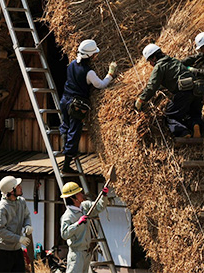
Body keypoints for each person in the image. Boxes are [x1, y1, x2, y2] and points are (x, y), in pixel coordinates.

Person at [60, 39, 116, 174]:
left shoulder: (72, 64)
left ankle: (65, 146)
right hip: (76, 105)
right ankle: (66, 165)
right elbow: (101, 85)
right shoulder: (88, 72)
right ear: (91, 56)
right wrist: (110, 74)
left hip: (65, 99)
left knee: (66, 126)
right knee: (74, 132)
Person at [135, 43, 204, 138]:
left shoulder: (159, 66)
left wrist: (141, 99)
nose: (150, 64)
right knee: (193, 112)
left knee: (170, 115)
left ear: (154, 57)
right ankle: (196, 125)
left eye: (150, 61)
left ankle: (183, 133)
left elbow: (152, 86)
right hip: (197, 90)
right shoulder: (173, 61)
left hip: (184, 93)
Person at [60, 182, 108, 273]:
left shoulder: (85, 206)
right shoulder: (68, 216)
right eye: (78, 194)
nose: (82, 195)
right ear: (73, 198)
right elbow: (64, 234)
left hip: (86, 253)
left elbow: (99, 207)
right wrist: (78, 223)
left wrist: (104, 196)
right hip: (76, 254)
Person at [0, 176, 32, 273]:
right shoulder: (0, 209)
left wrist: (27, 225)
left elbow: (26, 216)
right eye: (18, 186)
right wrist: (19, 238)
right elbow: (0, 231)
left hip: (17, 250)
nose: (20, 187)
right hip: (3, 251)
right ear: (11, 191)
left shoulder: (21, 202)